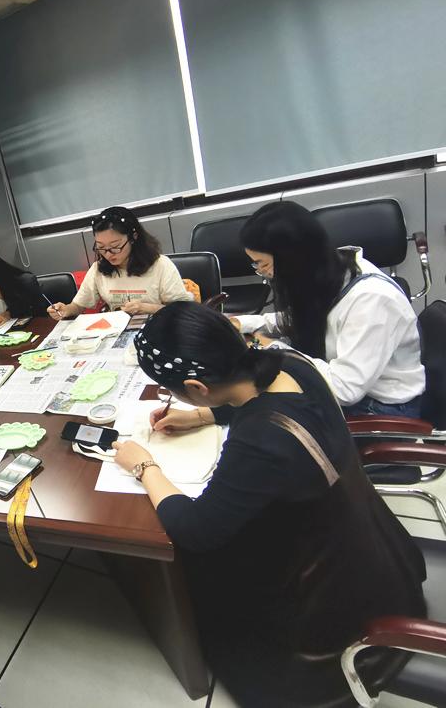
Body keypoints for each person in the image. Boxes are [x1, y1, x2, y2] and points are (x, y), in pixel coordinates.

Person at [112, 302, 425, 707]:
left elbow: (196, 530)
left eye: (172, 391)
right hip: (366, 536)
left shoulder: (263, 439)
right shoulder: (288, 362)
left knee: (190, 564)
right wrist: (203, 416)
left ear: (196, 387)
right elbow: (253, 395)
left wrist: (143, 466)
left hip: (324, 584)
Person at [235, 201, 425, 416]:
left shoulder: (372, 300)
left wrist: (268, 347)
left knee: (258, 407)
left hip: (378, 408)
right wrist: (243, 324)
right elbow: (305, 317)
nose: (263, 272)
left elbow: (344, 390)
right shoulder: (328, 269)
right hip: (353, 391)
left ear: (291, 258)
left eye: (263, 264)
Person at [49, 206, 192, 320]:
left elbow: (184, 310)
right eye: (101, 247)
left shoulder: (161, 265)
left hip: (158, 329)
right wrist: (66, 310)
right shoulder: (98, 269)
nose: (108, 254)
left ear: (133, 237)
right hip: (118, 332)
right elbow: (78, 306)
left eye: (115, 246)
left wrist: (146, 308)